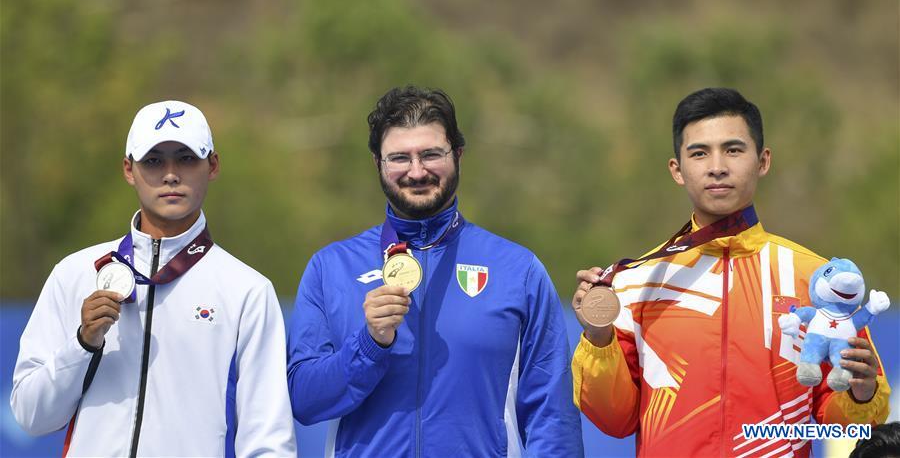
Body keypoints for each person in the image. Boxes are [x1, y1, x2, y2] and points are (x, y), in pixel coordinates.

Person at [571, 88, 890, 457]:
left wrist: (861, 393)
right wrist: (598, 337)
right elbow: (614, 421)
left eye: (733, 150)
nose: (717, 165)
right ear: (677, 170)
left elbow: (847, 427)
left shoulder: (817, 280)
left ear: (763, 161)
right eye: (699, 153)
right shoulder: (636, 283)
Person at [287, 85, 583, 457]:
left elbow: (551, 415)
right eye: (399, 157)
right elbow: (304, 401)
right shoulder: (330, 268)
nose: (416, 171)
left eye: (430, 154)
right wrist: (369, 345)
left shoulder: (518, 270)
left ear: (458, 154)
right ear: (377, 163)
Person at [10, 100, 297, 457]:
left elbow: (268, 439)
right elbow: (29, 414)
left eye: (187, 158)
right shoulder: (75, 273)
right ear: (129, 169)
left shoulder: (247, 291)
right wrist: (82, 344)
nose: (171, 174)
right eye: (154, 160)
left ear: (213, 165)